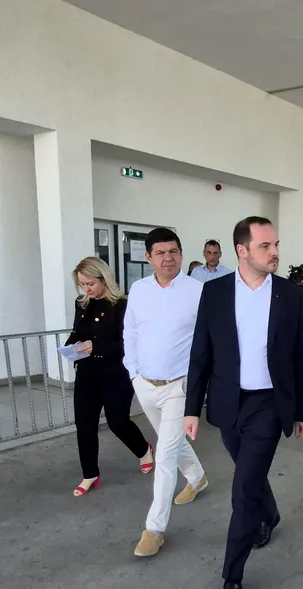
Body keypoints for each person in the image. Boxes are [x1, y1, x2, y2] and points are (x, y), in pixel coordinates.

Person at [184, 216, 303, 589]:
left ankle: (232, 577)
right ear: (242, 251)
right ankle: (270, 514)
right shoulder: (215, 292)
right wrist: (192, 408)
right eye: (265, 246)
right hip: (227, 403)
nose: (275, 253)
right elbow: (201, 352)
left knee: (243, 490)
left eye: (276, 244)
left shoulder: (291, 296)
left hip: (268, 406)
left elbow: (301, 357)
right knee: (249, 472)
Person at [124, 228, 207, 558]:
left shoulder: (197, 291)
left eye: (173, 251)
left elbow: (206, 339)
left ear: (181, 254)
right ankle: (197, 477)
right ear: (148, 258)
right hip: (145, 384)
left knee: (166, 455)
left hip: (179, 386)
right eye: (160, 253)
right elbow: (130, 331)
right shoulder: (139, 289)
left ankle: (154, 528)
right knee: (171, 440)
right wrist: (132, 372)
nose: (167, 258)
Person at [66, 257, 153, 497]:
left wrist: (96, 346)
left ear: (104, 279)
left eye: (90, 284)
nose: (86, 289)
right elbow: (77, 332)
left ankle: (143, 450)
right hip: (87, 372)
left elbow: (128, 343)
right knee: (84, 424)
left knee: (117, 421)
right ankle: (90, 474)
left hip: (116, 373)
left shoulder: (122, 305)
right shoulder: (82, 303)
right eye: (82, 284)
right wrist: (71, 346)